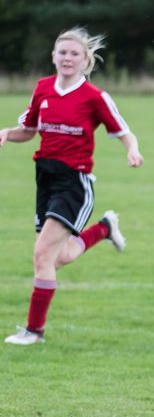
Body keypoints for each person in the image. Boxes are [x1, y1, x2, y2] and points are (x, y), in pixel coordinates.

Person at [0, 27, 143, 345]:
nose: (67, 58)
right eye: (62, 52)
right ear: (53, 56)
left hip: (74, 184)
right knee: (59, 256)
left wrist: (132, 150)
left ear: (85, 60)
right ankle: (104, 228)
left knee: (41, 256)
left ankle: (34, 332)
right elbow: (29, 129)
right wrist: (8, 133)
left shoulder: (95, 97)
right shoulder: (43, 89)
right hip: (45, 179)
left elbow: (123, 131)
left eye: (74, 53)